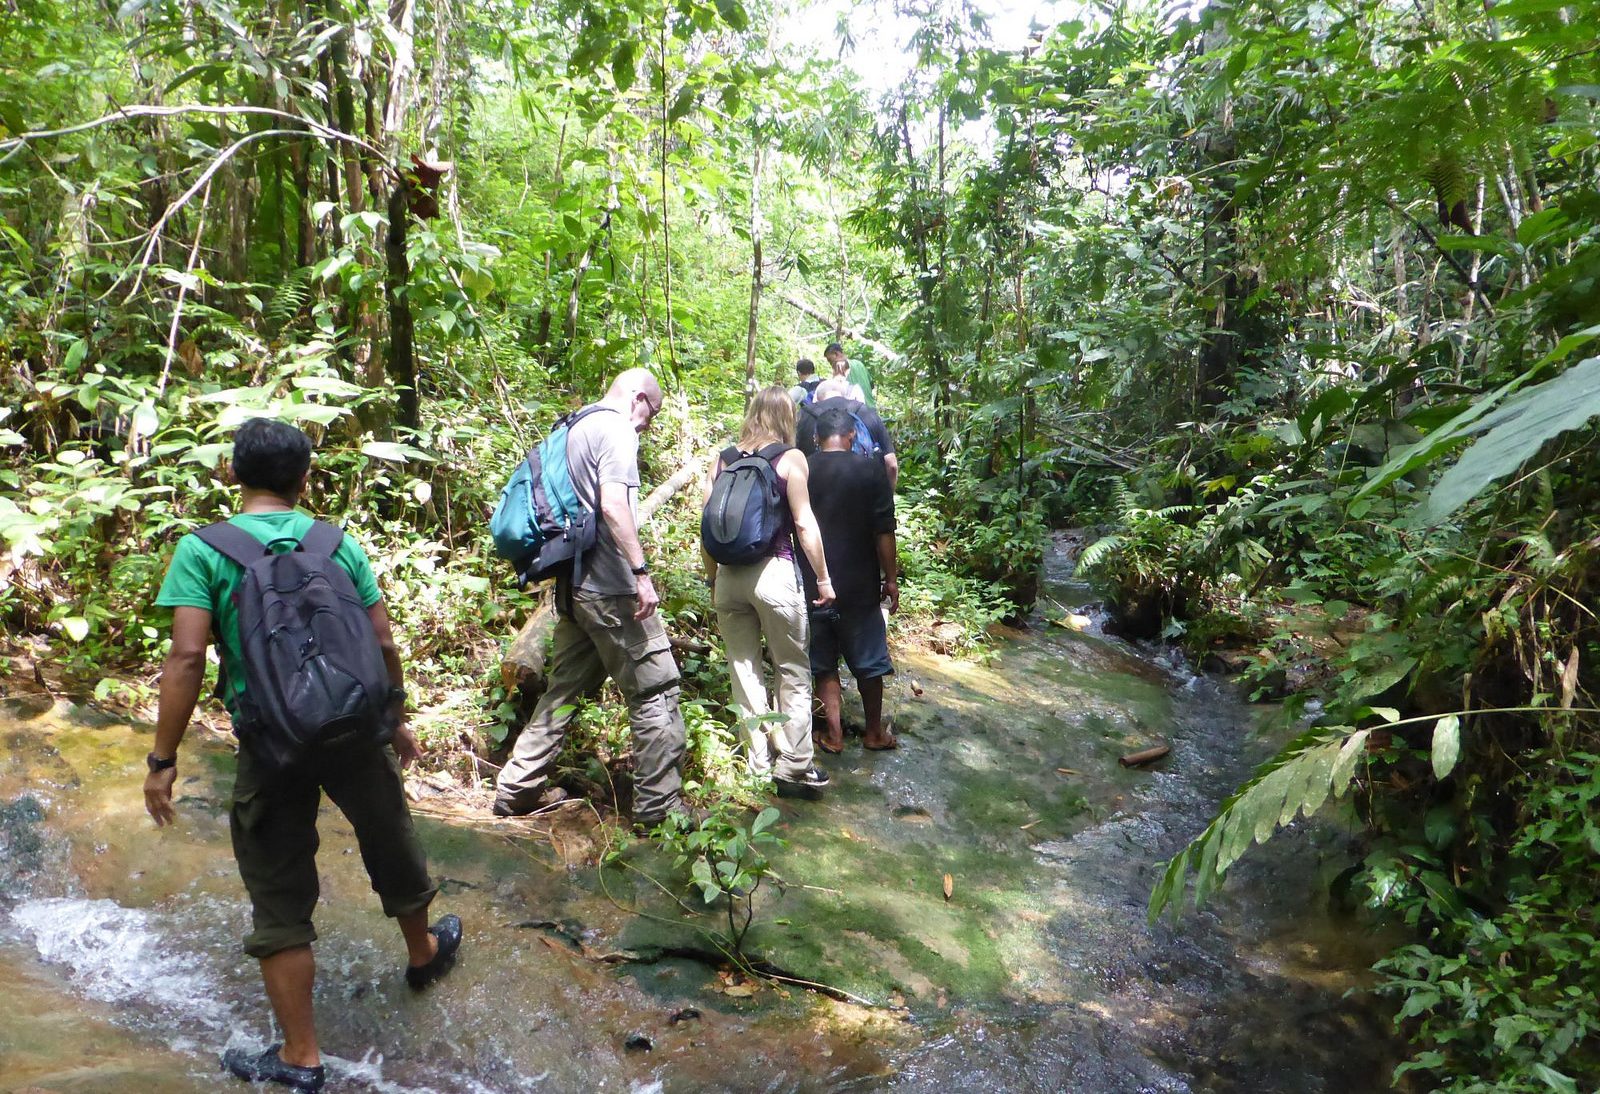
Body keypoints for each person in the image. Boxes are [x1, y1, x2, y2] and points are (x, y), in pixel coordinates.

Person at [145, 418, 458, 1094]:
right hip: (353, 727)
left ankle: (301, 1055)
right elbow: (380, 639)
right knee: (387, 832)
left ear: (234, 475)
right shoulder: (335, 542)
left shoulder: (204, 551)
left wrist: (162, 759)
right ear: (304, 479)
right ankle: (421, 952)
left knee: (280, 885)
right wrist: (394, 720)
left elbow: (188, 656)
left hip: (271, 742)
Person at [493, 368, 689, 830]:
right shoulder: (617, 430)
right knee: (656, 691)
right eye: (652, 413)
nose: (649, 424)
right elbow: (613, 506)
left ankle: (516, 787)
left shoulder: (574, 424)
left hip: (574, 589)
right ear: (639, 398)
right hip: (611, 589)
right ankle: (660, 811)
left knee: (564, 690)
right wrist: (640, 574)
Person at [703, 385, 836, 798]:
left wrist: (713, 579)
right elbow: (803, 524)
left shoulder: (723, 459)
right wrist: (825, 578)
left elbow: (705, 526)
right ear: (786, 418)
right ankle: (794, 766)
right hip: (775, 573)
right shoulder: (790, 458)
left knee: (744, 672)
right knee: (792, 670)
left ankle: (757, 765)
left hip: (729, 576)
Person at [802, 406, 900, 754]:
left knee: (824, 658)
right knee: (869, 658)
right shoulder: (871, 470)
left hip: (815, 581)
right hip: (860, 581)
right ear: (852, 436)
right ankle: (874, 732)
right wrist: (891, 579)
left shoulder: (804, 469)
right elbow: (884, 531)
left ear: (816, 439)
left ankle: (834, 735)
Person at [794, 376, 900, 490]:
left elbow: (792, 464)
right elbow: (891, 464)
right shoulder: (866, 412)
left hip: (815, 497)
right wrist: (887, 497)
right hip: (863, 495)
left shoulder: (803, 416)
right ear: (844, 395)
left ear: (816, 398)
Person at [825, 342, 874, 408]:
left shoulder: (840, 369)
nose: (830, 364)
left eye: (830, 360)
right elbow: (871, 385)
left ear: (837, 354)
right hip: (871, 409)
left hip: (857, 412)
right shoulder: (859, 364)